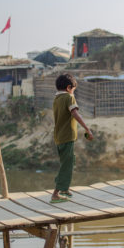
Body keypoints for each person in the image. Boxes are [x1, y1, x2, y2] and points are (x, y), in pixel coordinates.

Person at [51, 73, 93, 203]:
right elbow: (75, 114)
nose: (74, 92)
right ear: (69, 88)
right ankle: (56, 194)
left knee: (68, 162)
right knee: (66, 165)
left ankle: (64, 189)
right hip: (67, 136)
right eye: (74, 89)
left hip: (58, 137)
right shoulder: (69, 97)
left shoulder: (56, 99)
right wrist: (87, 129)